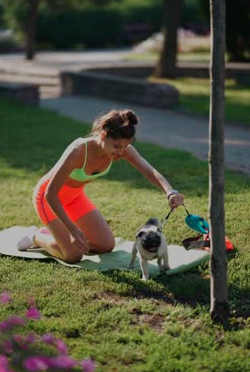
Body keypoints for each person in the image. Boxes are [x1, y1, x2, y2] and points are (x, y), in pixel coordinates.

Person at [17, 109, 184, 263]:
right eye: (117, 146)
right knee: (73, 255)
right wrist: (73, 230)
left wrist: (170, 191)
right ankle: (36, 236)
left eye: (125, 146)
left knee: (105, 246)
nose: (120, 152)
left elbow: (148, 170)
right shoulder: (78, 151)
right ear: (103, 135)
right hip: (48, 199)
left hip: (74, 197)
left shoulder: (122, 149)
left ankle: (60, 235)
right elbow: (50, 194)